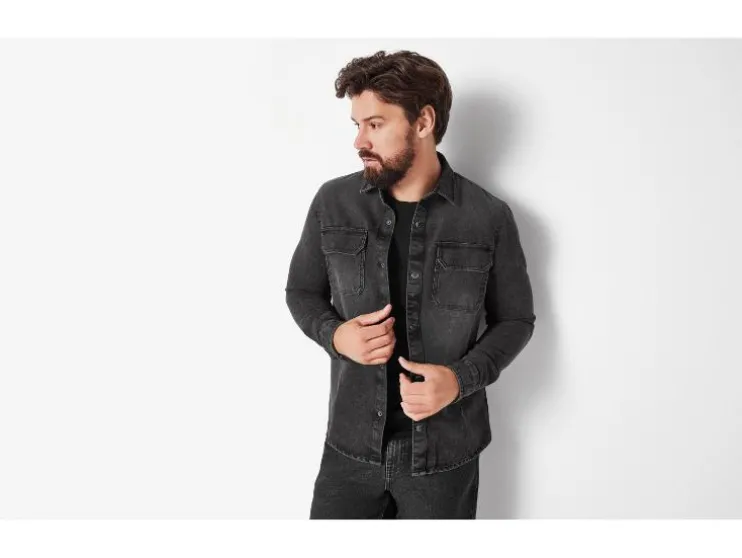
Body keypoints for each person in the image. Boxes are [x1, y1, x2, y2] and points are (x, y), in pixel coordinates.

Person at [284, 50, 535, 519]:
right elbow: (301, 292)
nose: (359, 140)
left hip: (445, 457)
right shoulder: (333, 202)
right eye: (356, 124)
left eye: (375, 124)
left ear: (423, 122)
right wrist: (336, 335)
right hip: (348, 449)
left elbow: (516, 320)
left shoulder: (488, 217)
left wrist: (458, 381)